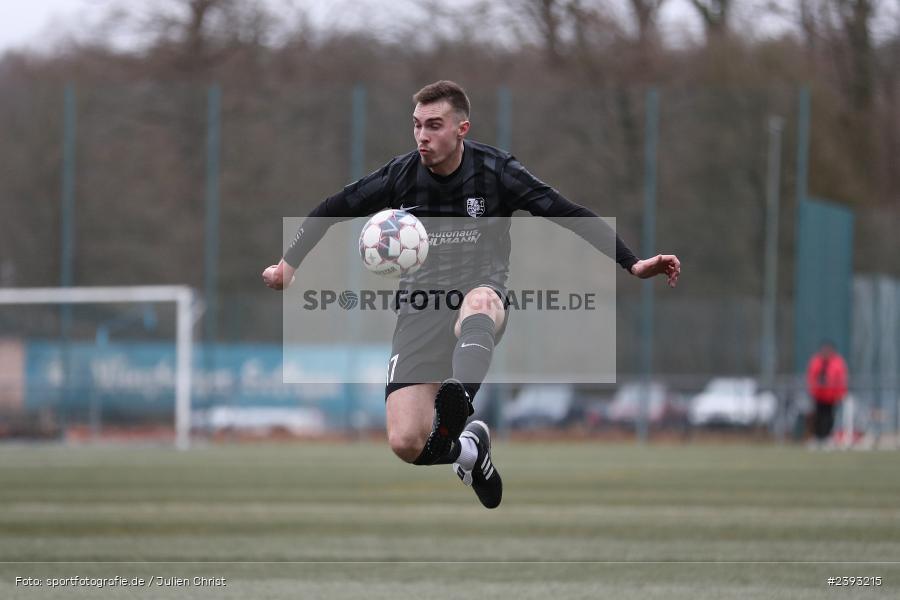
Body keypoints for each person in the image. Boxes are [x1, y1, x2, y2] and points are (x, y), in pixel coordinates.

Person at [262, 80, 680, 508]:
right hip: (419, 310)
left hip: (481, 293)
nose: (423, 136)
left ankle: (460, 397)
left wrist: (632, 262)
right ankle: (470, 450)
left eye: (434, 125)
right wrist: (287, 265)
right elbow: (331, 208)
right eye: (417, 125)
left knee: (479, 303)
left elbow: (570, 213)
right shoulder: (400, 175)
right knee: (406, 442)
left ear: (462, 129)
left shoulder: (497, 172)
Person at [805, 341, 849, 446]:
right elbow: (811, 376)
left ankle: (827, 437)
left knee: (829, 417)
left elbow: (841, 378)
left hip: (831, 395)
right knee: (818, 416)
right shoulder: (816, 361)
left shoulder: (837, 362)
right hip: (819, 395)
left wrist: (841, 393)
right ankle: (817, 437)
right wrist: (812, 390)